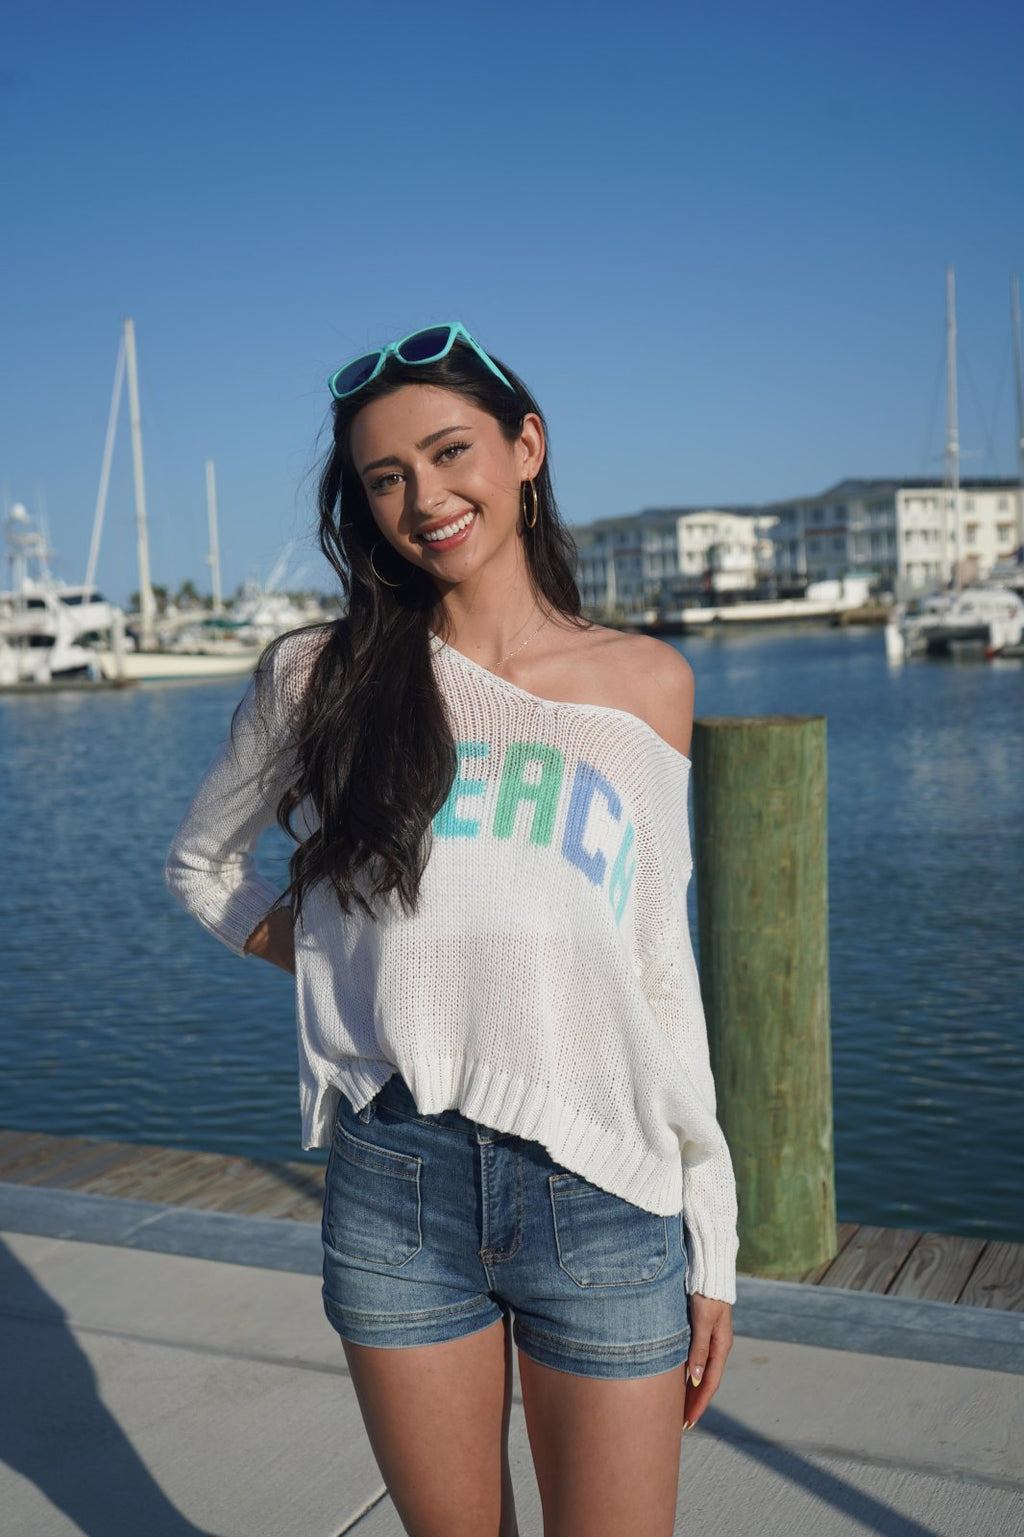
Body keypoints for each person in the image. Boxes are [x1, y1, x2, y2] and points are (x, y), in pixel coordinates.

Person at [165, 322, 739, 1537]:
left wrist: (714, 1231)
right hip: (397, 1179)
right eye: (385, 478)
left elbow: (657, 967)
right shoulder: (319, 676)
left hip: (601, 1179)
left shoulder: (644, 683)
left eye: (449, 452)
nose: (424, 498)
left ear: (526, 448)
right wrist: (330, 954)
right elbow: (203, 866)